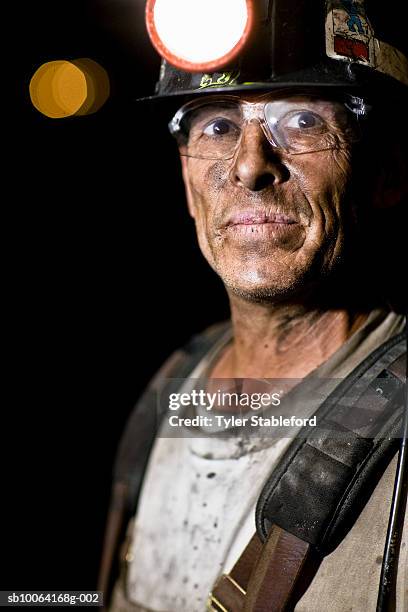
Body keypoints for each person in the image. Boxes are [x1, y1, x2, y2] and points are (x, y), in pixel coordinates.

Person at [100, 1, 407, 610]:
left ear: (386, 174)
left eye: (302, 122)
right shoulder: (169, 394)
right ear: (188, 188)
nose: (249, 165)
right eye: (216, 126)